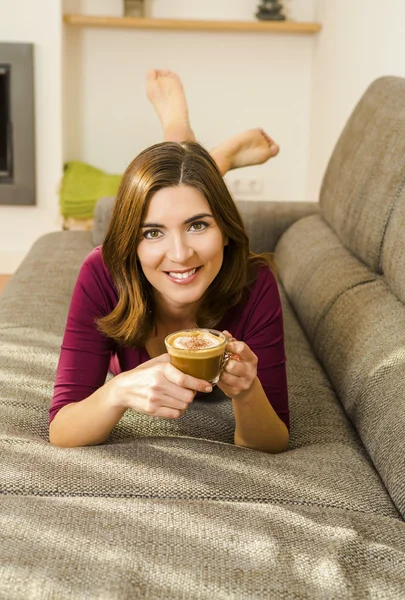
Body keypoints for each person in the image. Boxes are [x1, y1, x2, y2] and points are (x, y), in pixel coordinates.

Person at [49, 69, 289, 452]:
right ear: (132, 243)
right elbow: (62, 430)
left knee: (184, 184)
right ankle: (204, 151)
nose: (180, 254)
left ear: (225, 231)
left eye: (199, 226)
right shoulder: (102, 273)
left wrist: (248, 391)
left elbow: (272, 441)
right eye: (151, 233)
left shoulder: (253, 280)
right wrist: (118, 392)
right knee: (183, 186)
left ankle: (210, 162)